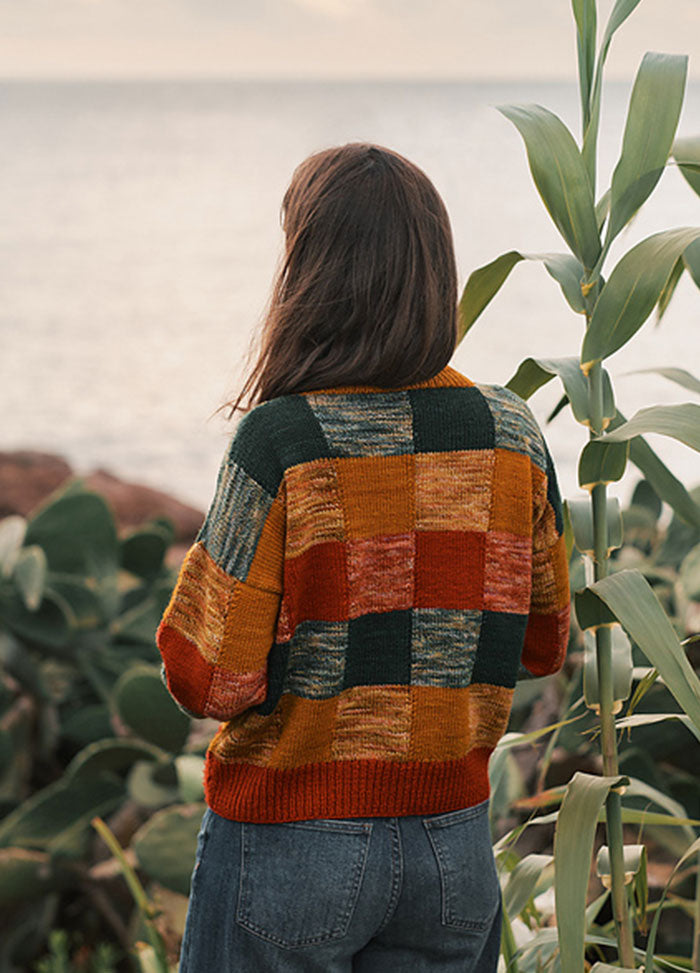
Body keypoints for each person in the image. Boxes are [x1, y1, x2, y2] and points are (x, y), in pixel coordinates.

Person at [156, 142, 571, 972]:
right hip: (451, 850)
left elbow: (209, 679)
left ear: (307, 276)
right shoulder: (513, 433)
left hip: (290, 848)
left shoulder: (280, 443)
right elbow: (542, 643)